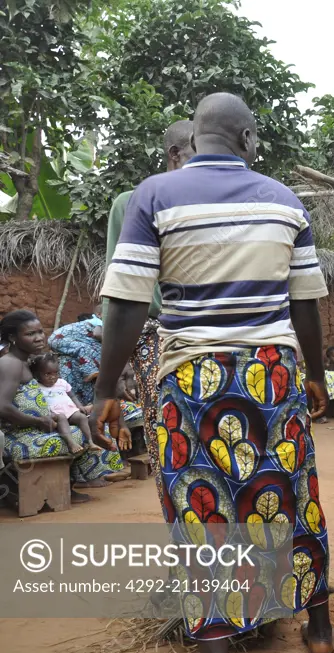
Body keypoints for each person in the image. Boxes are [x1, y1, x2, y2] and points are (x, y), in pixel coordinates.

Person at [91, 93, 334, 653]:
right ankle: (319, 625)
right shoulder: (284, 199)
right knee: (294, 493)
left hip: (191, 379)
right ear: (248, 139)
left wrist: (107, 387)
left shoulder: (154, 194)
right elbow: (305, 303)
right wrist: (317, 373)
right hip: (272, 375)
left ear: (194, 141)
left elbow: (125, 304)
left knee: (198, 509)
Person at [104, 119, 195, 485]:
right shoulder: (132, 203)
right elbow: (122, 293)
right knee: (170, 439)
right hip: (158, 337)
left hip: (217, 333)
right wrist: (108, 377)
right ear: (174, 155)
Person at [0, 311, 112, 498]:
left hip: (39, 426)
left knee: (90, 426)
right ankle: (57, 489)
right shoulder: (10, 364)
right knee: (75, 435)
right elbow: (2, 406)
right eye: (30, 334)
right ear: (12, 337)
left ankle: (68, 485)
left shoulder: (29, 361)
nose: (38, 338)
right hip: (18, 435)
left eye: (40, 332)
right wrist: (36, 421)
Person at [28, 353, 100, 455]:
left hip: (69, 411)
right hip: (55, 415)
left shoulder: (62, 383)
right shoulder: (37, 387)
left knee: (82, 418)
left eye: (56, 373)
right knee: (61, 418)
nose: (53, 377)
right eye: (47, 374)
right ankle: (71, 443)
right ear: (36, 374)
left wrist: (79, 406)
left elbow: (72, 396)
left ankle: (91, 442)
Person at [48, 317, 103, 404]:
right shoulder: (98, 322)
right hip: (57, 339)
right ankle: (90, 370)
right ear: (99, 314)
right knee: (82, 349)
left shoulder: (79, 349)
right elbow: (97, 334)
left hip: (76, 378)